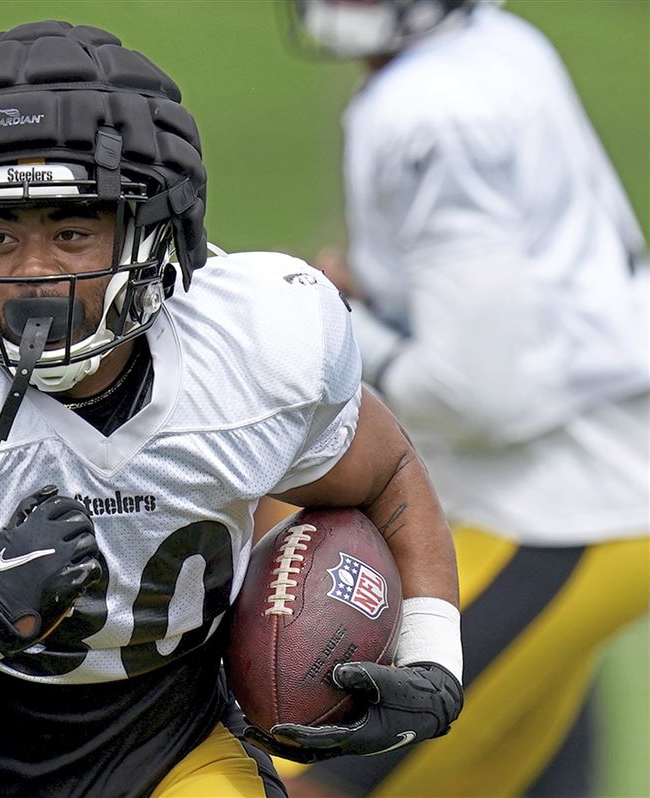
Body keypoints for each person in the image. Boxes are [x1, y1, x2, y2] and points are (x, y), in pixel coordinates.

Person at [0, 20, 465, 798]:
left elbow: (386, 474)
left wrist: (432, 653)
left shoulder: (255, 349)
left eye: (73, 230)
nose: (35, 272)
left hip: (178, 753)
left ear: (155, 233)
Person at [278, 1, 650, 796]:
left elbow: (480, 393)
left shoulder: (429, 108)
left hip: (558, 506)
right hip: (566, 480)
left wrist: (338, 322)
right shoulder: (495, 45)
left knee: (296, 770)